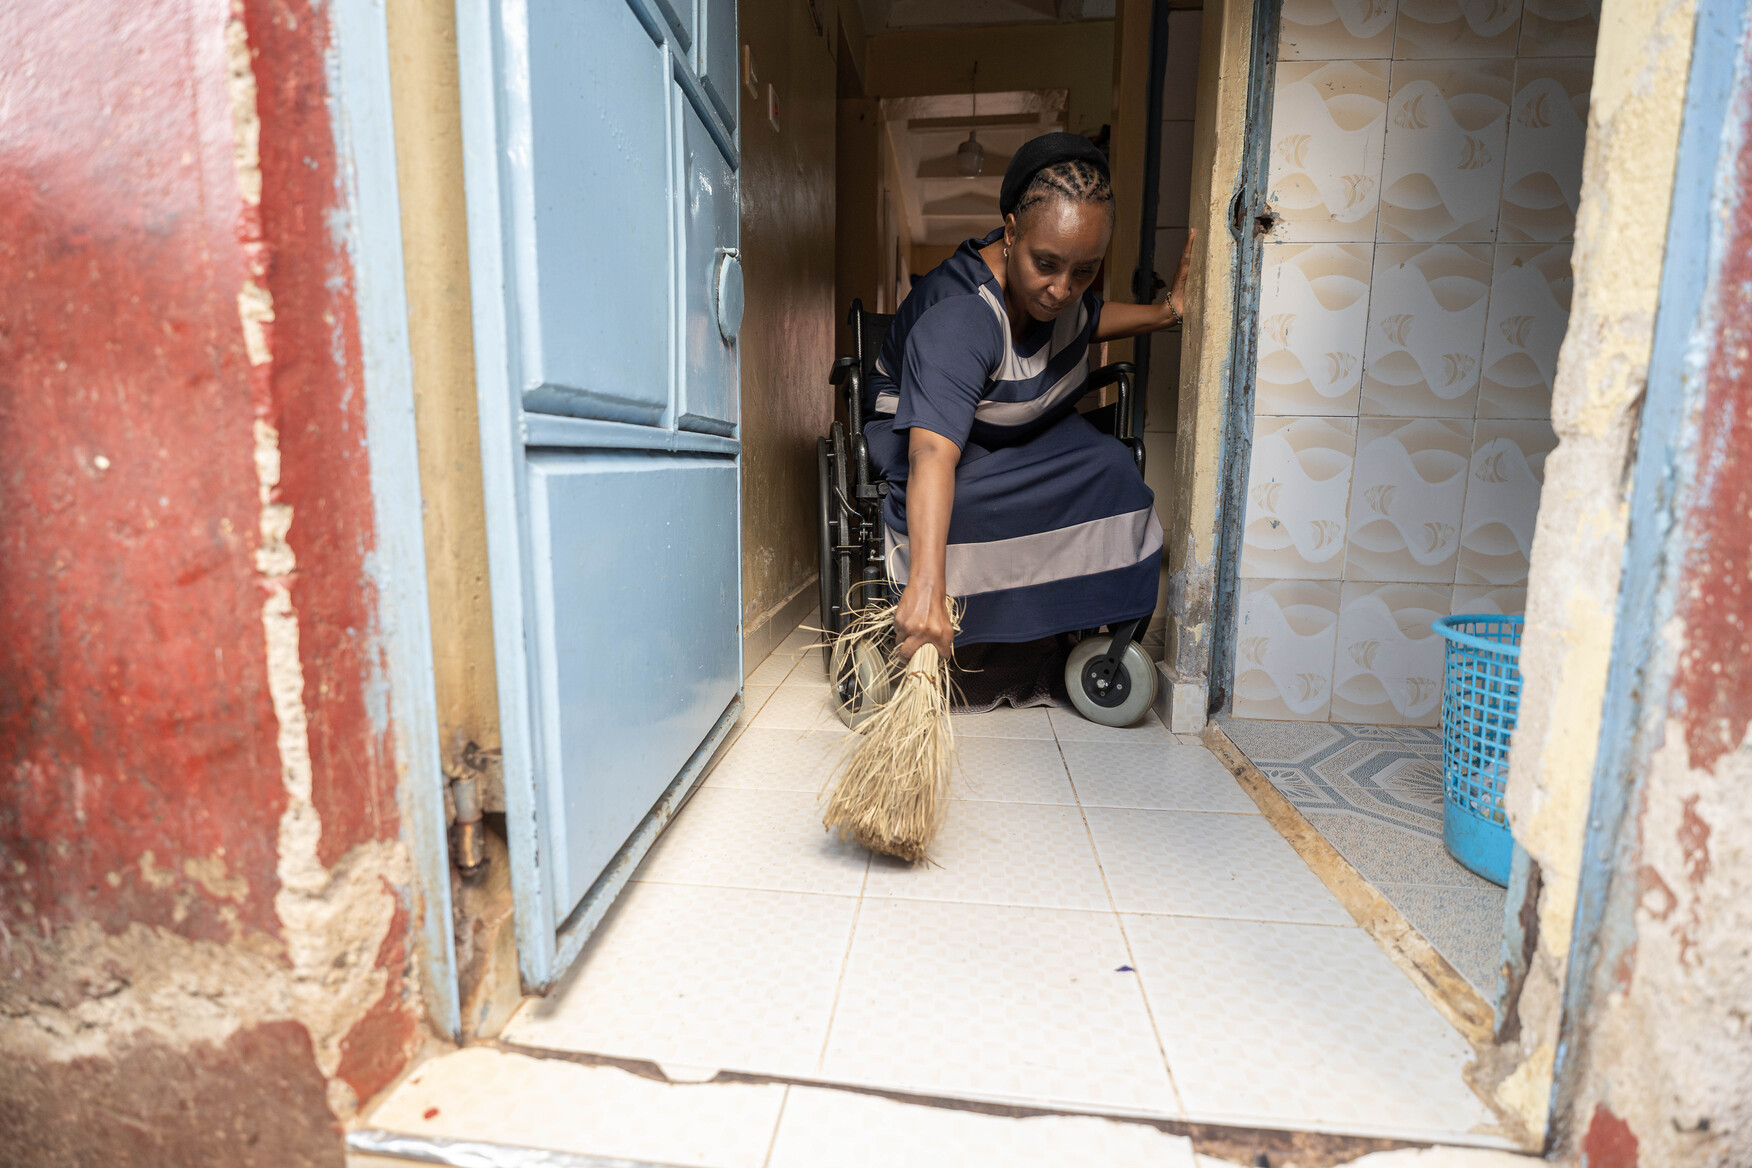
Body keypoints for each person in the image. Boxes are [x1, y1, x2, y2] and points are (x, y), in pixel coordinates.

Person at [862, 132, 1195, 663]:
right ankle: (981, 631)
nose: (1062, 290)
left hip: (1015, 421)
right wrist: (926, 586)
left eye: (1083, 270)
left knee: (1113, 468)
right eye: (1047, 265)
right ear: (1011, 232)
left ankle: (1082, 620)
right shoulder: (961, 317)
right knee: (972, 503)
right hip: (928, 427)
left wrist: (1165, 313)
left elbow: (1086, 319)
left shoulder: (1061, 292)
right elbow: (931, 453)